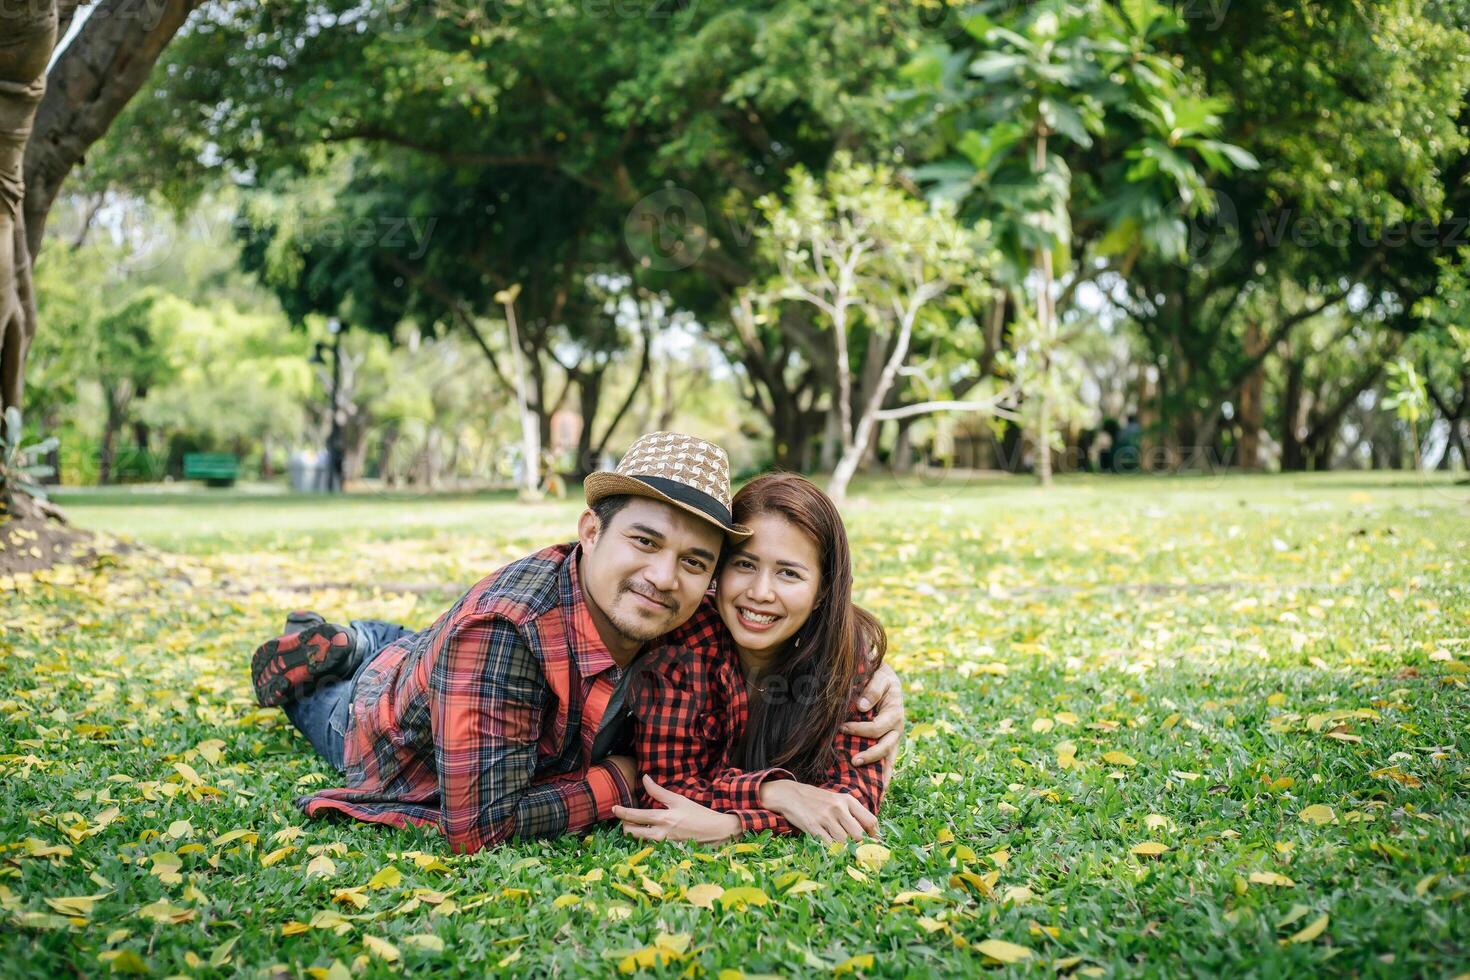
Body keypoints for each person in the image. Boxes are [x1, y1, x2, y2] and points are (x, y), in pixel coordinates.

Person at [247, 432, 904, 852]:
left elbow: (783, 598)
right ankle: (330, 650)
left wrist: (866, 665)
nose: (662, 577)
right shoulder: (505, 636)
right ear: (591, 529)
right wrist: (624, 777)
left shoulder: (696, 600)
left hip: (461, 666)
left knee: (419, 646)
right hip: (385, 726)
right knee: (338, 700)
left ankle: (368, 637)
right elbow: (482, 829)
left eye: (694, 560)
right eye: (643, 541)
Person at [612, 473, 891, 844]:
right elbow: (665, 788)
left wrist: (736, 826)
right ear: (718, 571)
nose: (760, 593)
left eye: (788, 573)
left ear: (823, 590)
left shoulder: (844, 653)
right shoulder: (684, 643)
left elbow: (853, 801)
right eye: (744, 564)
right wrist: (776, 793)